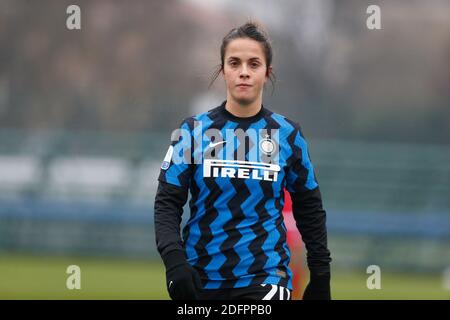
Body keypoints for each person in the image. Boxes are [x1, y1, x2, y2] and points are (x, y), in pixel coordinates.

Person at [154, 21, 331, 300]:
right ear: (223, 70)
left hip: (266, 277)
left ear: (267, 72)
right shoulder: (193, 132)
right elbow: (167, 204)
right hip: (200, 278)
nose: (244, 72)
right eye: (235, 63)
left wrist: (321, 276)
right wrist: (175, 262)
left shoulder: (287, 135)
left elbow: (310, 208)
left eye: (254, 64)